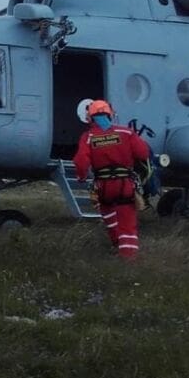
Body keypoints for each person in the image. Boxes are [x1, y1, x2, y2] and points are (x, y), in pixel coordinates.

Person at [73, 99, 150, 260]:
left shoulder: (88, 136)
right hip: (124, 185)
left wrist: (81, 177)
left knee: (109, 217)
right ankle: (128, 258)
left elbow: (81, 161)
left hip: (102, 187)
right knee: (127, 224)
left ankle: (117, 245)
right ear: (110, 114)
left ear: (90, 117)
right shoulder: (126, 133)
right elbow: (143, 153)